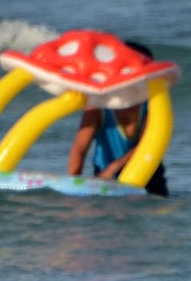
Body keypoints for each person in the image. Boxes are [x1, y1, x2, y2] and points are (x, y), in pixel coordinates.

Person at [66, 40, 169, 196]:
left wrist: (114, 168)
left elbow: (146, 144)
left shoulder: (153, 106)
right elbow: (79, 149)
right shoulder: (98, 107)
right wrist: (72, 186)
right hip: (104, 175)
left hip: (148, 174)